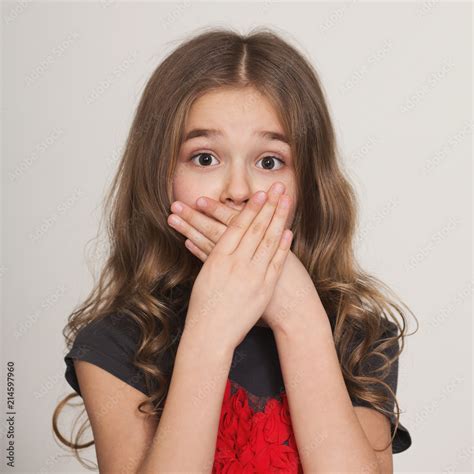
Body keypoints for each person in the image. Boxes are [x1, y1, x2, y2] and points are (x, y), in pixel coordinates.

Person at [53, 27, 415, 473]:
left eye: (269, 162)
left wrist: (299, 318)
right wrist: (210, 330)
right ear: (160, 176)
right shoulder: (118, 342)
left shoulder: (358, 334)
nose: (239, 191)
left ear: (307, 183)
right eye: (205, 158)